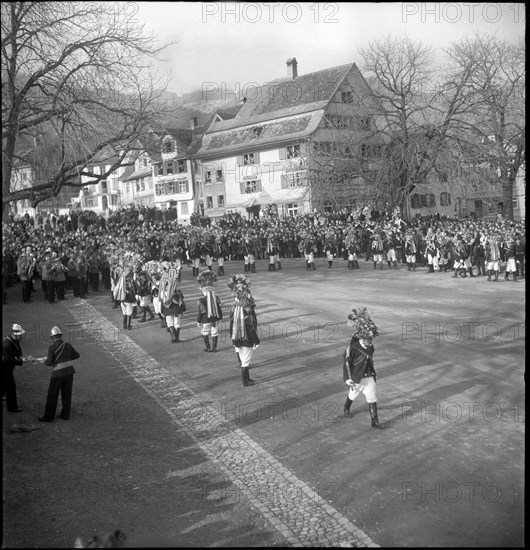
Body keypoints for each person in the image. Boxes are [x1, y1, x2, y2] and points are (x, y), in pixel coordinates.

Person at [342, 307, 383, 429]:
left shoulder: (370, 347)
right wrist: (346, 378)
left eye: (371, 339)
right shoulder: (353, 348)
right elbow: (346, 363)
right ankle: (346, 407)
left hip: (369, 376)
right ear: (362, 338)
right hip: (356, 377)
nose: (370, 341)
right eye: (368, 339)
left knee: (372, 398)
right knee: (352, 396)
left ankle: (374, 422)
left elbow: (369, 352)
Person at [36, 326, 80, 422]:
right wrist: (65, 358)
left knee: (52, 395)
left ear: (53, 337)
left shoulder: (52, 347)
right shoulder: (68, 345)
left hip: (58, 373)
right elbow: (77, 355)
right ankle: (65, 415)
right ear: (60, 335)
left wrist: (43, 360)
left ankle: (48, 417)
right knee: (67, 394)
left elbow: (49, 363)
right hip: (69, 372)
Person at [228, 274, 260, 387]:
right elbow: (251, 329)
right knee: (245, 363)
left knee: (243, 361)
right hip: (246, 341)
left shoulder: (234, 312)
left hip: (237, 341)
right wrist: (257, 341)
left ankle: (247, 379)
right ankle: (245, 381)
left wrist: (233, 341)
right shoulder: (248, 315)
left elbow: (231, 328)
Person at [2, 324, 27, 412]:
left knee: (4, 383)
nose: (21, 337)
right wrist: (21, 361)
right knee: (10, 387)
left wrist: (22, 358)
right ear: (15, 335)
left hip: (7, 367)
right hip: (4, 368)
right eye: (20, 335)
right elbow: (8, 360)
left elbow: (18, 351)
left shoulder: (14, 341)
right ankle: (12, 407)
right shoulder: (7, 345)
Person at [196, 269, 223, 352]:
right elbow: (219, 309)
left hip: (205, 320)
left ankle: (208, 348)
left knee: (205, 333)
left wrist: (198, 320)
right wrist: (219, 318)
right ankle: (214, 348)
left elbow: (201, 312)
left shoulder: (201, 300)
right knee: (214, 332)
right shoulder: (216, 298)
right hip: (215, 319)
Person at [160, 267, 187, 343]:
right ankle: (177, 339)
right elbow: (181, 299)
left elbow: (162, 302)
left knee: (170, 323)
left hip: (167, 309)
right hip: (176, 309)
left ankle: (173, 338)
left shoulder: (163, 292)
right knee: (177, 323)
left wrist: (162, 310)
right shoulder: (177, 291)